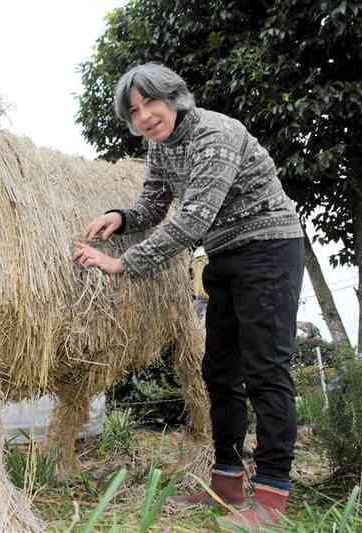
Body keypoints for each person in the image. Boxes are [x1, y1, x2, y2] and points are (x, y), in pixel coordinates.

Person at [73, 63, 305, 529]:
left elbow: (192, 219)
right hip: (223, 257)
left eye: (149, 104)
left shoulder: (216, 134)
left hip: (269, 249)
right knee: (219, 371)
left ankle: (272, 497)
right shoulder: (158, 148)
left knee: (265, 369)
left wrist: (123, 263)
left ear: (174, 96)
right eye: (133, 112)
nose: (144, 118)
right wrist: (120, 217)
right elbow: (155, 206)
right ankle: (227, 483)